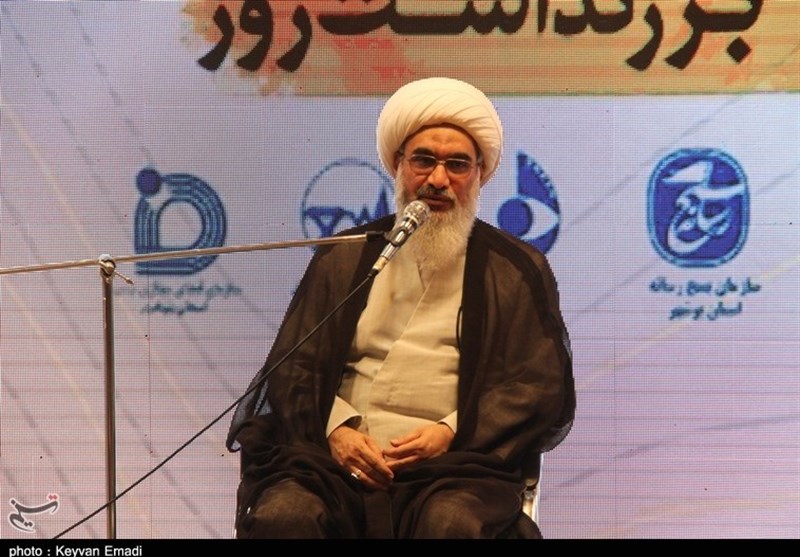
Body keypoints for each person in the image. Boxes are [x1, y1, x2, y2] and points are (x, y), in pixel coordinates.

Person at [226, 77, 575, 539]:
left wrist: (450, 431)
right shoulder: (347, 255)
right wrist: (337, 431)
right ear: (398, 165)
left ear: (481, 174)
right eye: (423, 161)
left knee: (451, 523)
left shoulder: (514, 269)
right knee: (285, 514)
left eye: (457, 165)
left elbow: (537, 387)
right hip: (334, 463)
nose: (437, 180)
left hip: (455, 467)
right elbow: (295, 366)